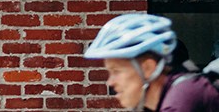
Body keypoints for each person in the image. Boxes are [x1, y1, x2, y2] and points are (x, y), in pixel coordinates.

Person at [85, 13, 219, 111]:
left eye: (116, 71)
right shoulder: (168, 96)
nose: (110, 82)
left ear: (148, 68)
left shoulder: (182, 99)